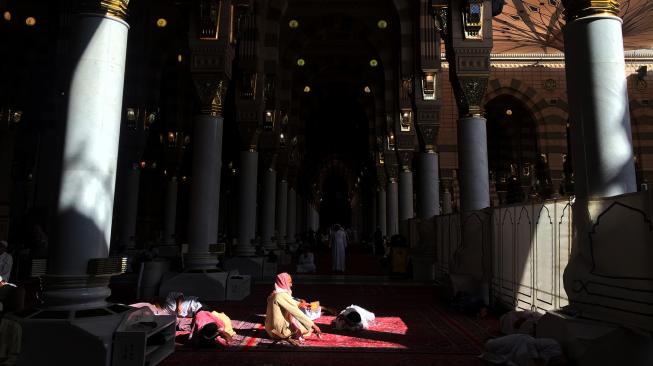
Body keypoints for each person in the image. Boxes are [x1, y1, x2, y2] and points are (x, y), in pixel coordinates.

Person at [265, 273, 321, 346]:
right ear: (284, 282)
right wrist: (313, 325)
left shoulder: (274, 294)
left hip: (270, 331)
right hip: (279, 332)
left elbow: (290, 301)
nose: (291, 284)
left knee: (311, 309)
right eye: (289, 282)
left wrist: (302, 304)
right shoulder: (282, 295)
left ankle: (321, 309)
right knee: (307, 329)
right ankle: (288, 334)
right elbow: (296, 312)